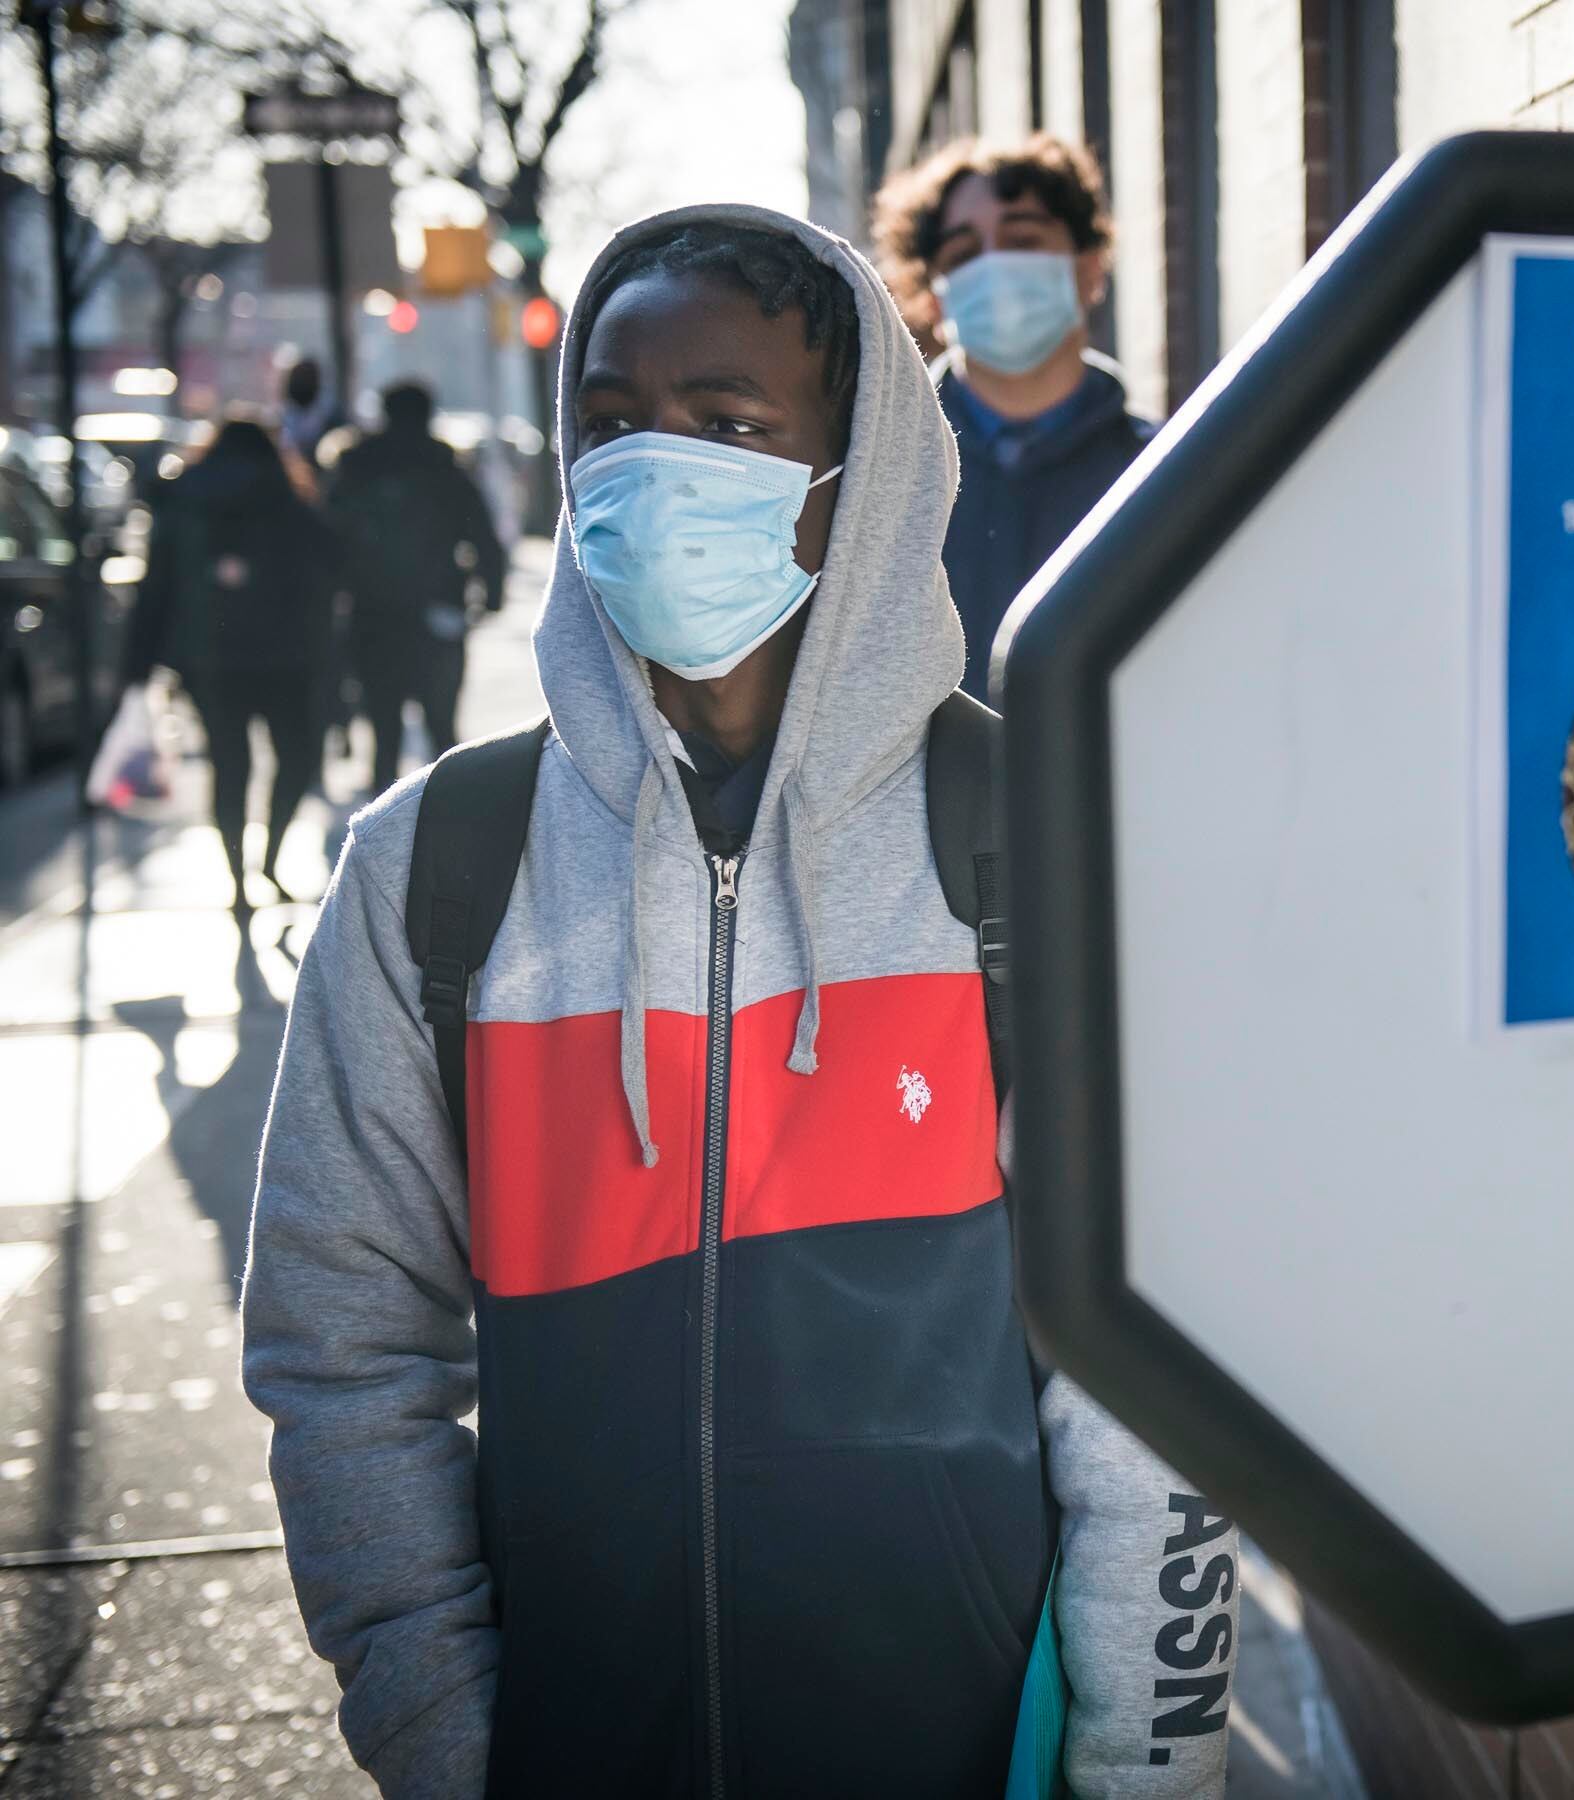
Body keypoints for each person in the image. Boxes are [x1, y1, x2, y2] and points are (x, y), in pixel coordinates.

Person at [242, 206, 1236, 1797]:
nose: (653, 467)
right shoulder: (438, 865)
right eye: (613, 423)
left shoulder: (1035, 843)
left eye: (728, 424)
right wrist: (447, 1738)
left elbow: (1161, 1383)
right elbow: (341, 1346)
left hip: (964, 1749)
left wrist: (1147, 1767)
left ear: (862, 473)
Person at [875, 133, 1155, 702]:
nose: (995, 267)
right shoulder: (876, 485)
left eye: (1023, 239)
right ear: (932, 298)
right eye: (963, 254)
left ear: (1089, 268)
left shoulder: (1164, 468)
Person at [121, 419, 336, 913]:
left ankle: (237, 881)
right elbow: (334, 561)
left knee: (228, 764)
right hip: (285, 655)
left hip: (208, 658)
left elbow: (155, 587)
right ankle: (271, 858)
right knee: (294, 758)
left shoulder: (183, 500)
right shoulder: (285, 496)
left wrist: (136, 665)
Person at [323, 381, 508, 789]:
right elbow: (486, 542)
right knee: (441, 725)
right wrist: (490, 597)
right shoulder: (447, 471)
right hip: (437, 613)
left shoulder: (356, 469)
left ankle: (382, 822)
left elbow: (328, 542)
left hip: (371, 614)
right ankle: (450, 821)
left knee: (382, 728)